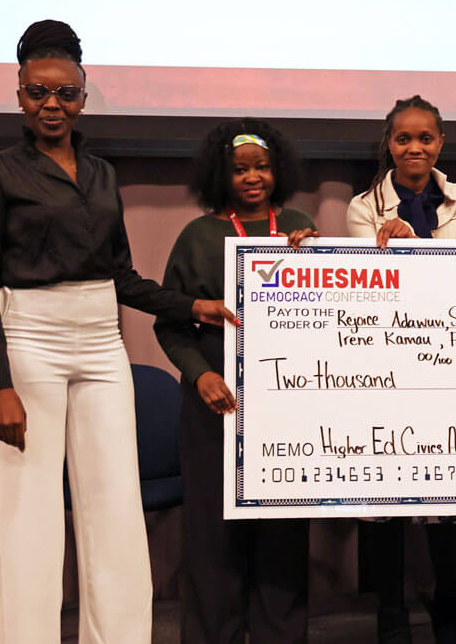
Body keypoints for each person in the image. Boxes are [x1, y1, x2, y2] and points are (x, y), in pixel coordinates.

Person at [0, 20, 235, 643]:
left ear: (84, 95)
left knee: (115, 508)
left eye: (65, 94)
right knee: (28, 513)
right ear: (19, 94)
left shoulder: (103, 173)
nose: (51, 105)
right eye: (38, 93)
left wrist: (196, 307)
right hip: (28, 339)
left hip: (102, 342)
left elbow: (122, 278)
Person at [153, 119, 317, 643]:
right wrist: (200, 375)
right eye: (240, 169)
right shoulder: (199, 235)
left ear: (278, 171)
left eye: (262, 167)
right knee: (212, 535)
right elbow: (170, 323)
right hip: (214, 405)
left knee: (282, 533)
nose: (252, 177)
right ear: (219, 176)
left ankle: (280, 632)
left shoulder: (298, 226)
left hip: (285, 406)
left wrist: (311, 256)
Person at [347, 95, 456, 644]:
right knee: (386, 498)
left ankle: (448, 601)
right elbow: (374, 286)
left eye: (425, 138)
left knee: (447, 496)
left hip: (450, 361)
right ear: (389, 144)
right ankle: (391, 609)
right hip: (386, 365)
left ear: (440, 144)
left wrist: (418, 246)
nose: (415, 148)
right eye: (403, 138)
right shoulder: (362, 207)